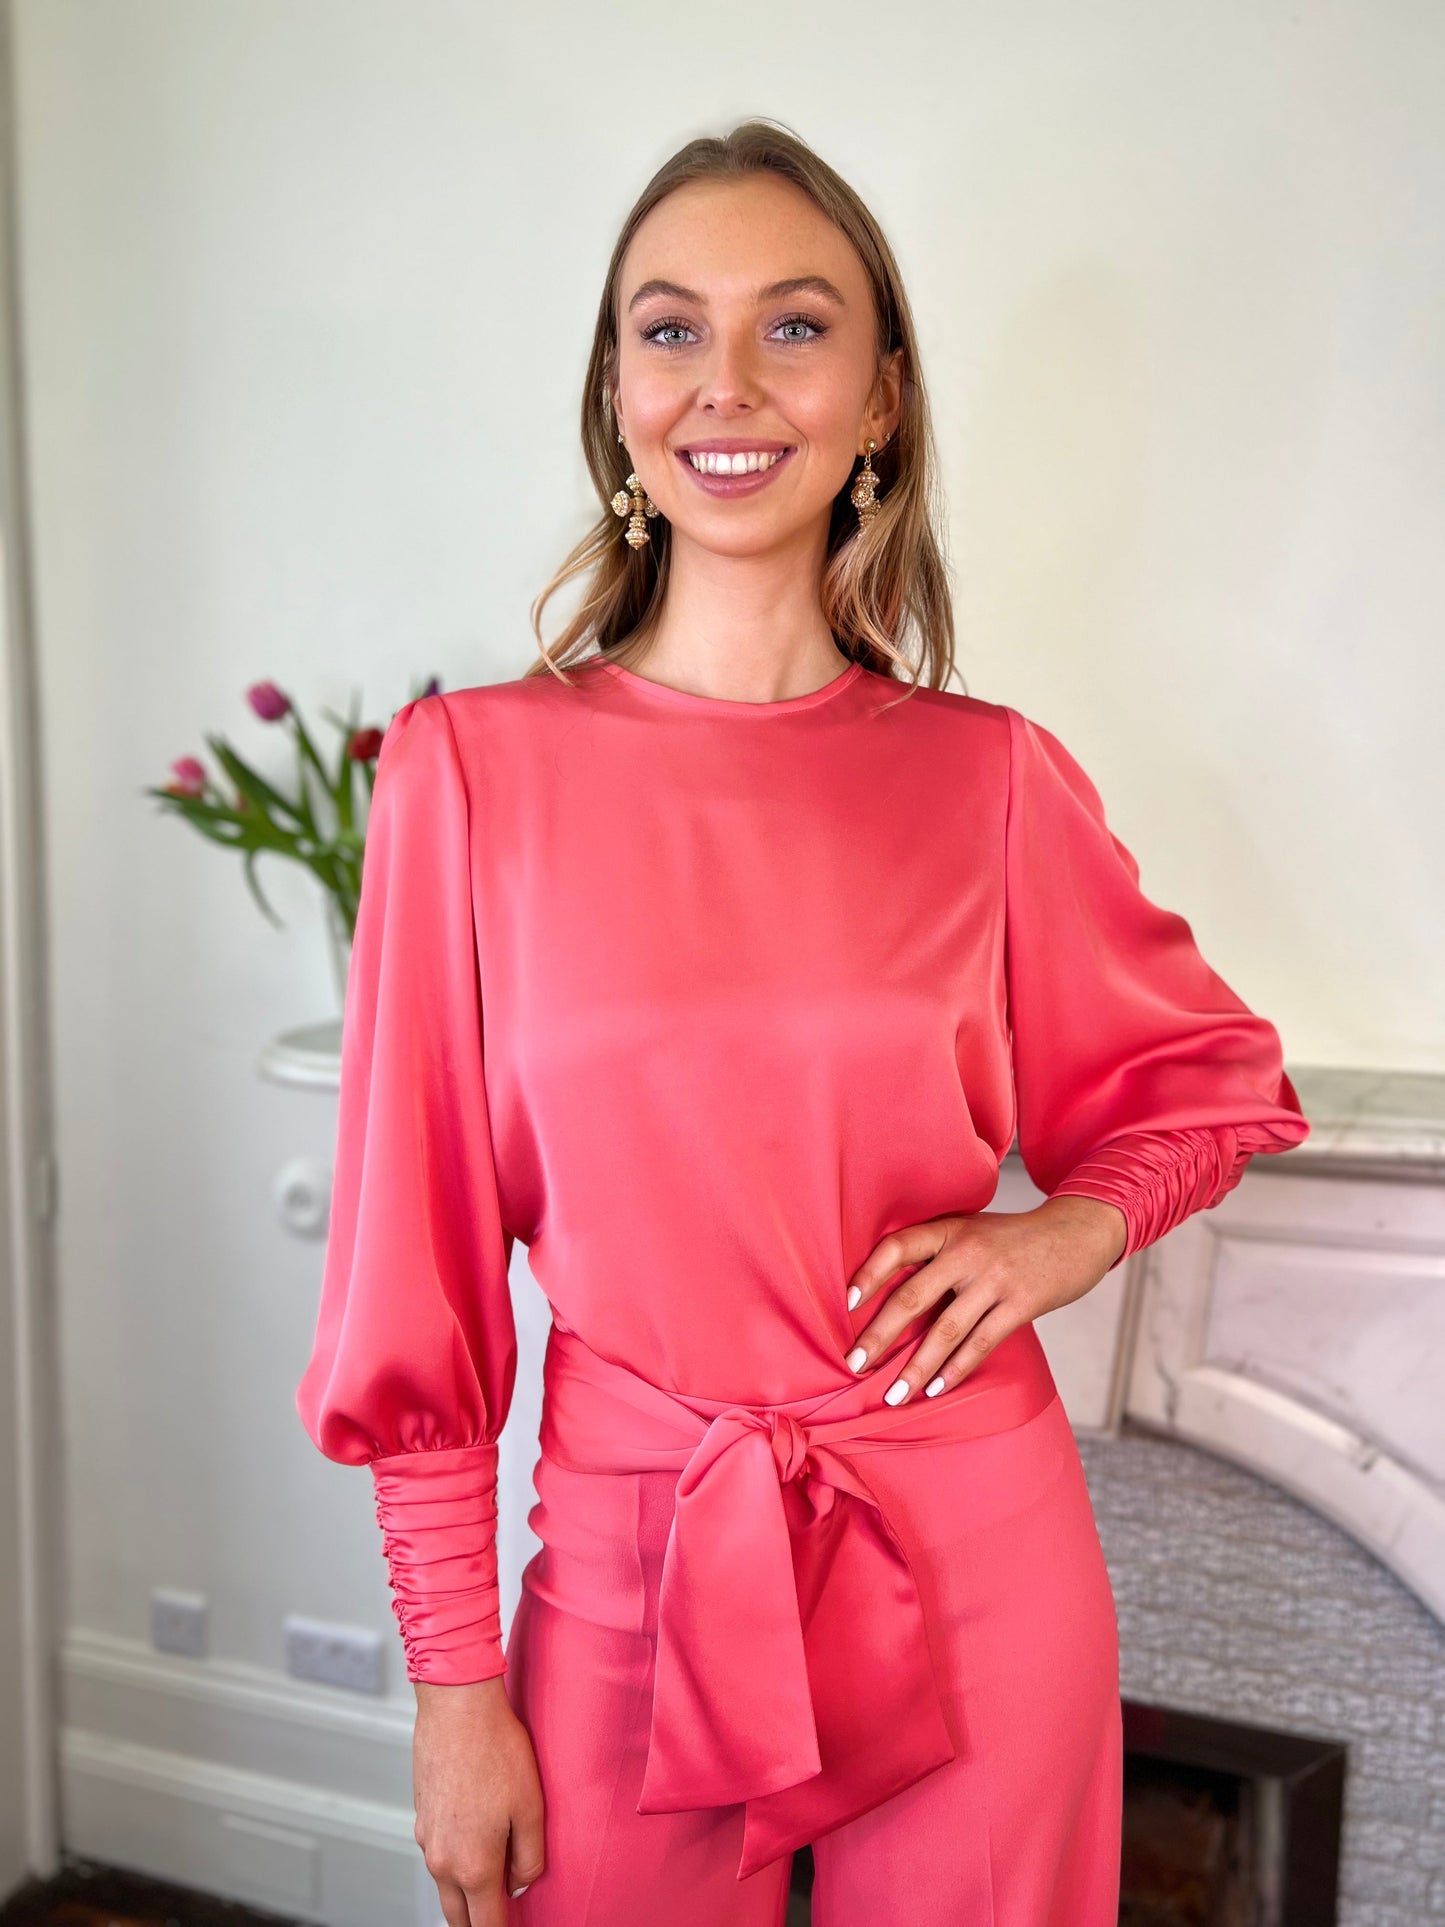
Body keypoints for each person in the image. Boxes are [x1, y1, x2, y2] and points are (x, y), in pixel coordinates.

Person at [294, 119, 1310, 1927]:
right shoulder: (469, 778)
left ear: (881, 397)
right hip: (627, 1569)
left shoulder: (989, 780)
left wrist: (1066, 1232)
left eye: (795, 324)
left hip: (972, 1557)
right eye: (669, 329)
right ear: (614, 394)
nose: (727, 380)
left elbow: (1205, 1087)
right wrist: (456, 1685)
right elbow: (411, 1280)